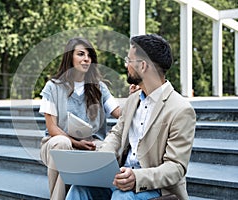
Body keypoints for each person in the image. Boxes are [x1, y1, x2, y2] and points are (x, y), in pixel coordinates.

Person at [65, 34, 196, 200]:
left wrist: (137, 177)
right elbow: (117, 134)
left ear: (143, 66)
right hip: (119, 178)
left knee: (122, 197)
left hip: (156, 188)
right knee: (80, 188)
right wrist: (101, 161)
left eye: (129, 60)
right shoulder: (133, 99)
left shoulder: (181, 109)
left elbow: (176, 167)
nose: (126, 64)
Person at [39, 37, 120, 200]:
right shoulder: (53, 87)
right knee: (63, 144)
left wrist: (136, 98)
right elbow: (52, 127)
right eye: (81, 54)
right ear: (70, 57)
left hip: (92, 144)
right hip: (57, 143)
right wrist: (76, 143)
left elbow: (119, 113)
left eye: (89, 55)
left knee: (108, 149)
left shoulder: (99, 87)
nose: (86, 59)